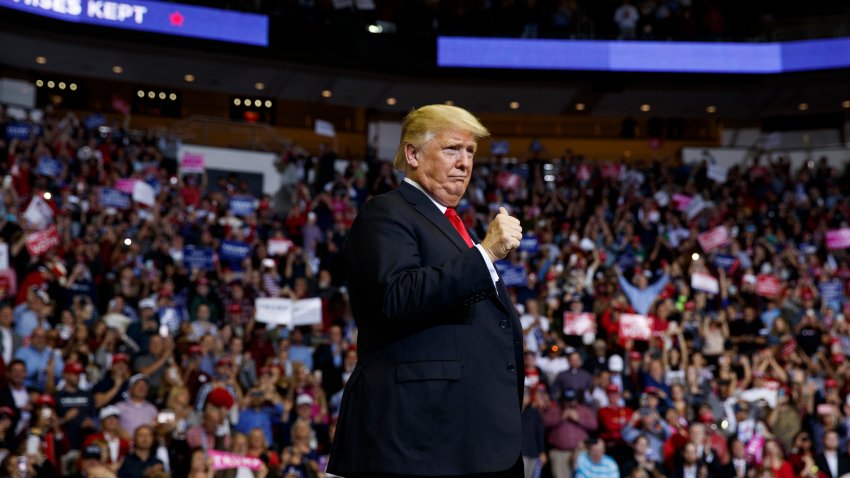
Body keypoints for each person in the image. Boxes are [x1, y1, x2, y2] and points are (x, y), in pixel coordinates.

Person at [328, 104, 525, 478]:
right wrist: (486, 254)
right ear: (413, 154)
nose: (465, 162)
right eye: (452, 149)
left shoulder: (452, 225)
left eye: (470, 152)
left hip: (469, 437)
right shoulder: (386, 212)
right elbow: (396, 296)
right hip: (421, 440)